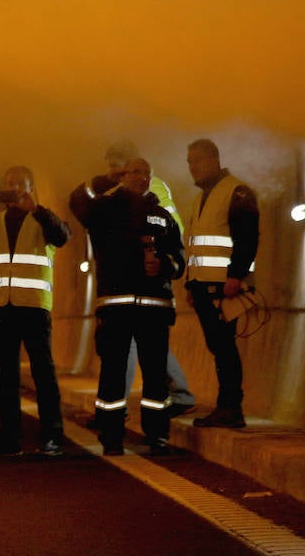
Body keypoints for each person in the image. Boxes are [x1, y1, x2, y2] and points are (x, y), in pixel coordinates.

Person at [70, 157, 185, 455]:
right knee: (113, 372)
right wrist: (101, 180)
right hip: (116, 305)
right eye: (136, 172)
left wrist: (163, 266)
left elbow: (178, 258)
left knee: (156, 375)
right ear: (123, 176)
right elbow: (77, 201)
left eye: (147, 173)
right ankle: (111, 435)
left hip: (155, 306)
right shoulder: (105, 209)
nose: (142, 178)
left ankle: (157, 434)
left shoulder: (162, 214)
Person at [0, 166, 70, 457]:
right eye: (10, 185)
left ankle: (53, 436)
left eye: (21, 184)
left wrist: (39, 209)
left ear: (32, 188)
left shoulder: (42, 218)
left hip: (33, 305)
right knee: (6, 377)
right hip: (0, 306)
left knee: (43, 373)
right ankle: (10, 438)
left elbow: (62, 237)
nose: (15, 189)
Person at [184, 139, 259, 428]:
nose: (193, 166)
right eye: (189, 161)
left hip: (223, 286)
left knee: (224, 345)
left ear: (215, 159)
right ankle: (227, 405)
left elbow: (247, 237)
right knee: (217, 345)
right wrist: (191, 283)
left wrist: (236, 275)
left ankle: (230, 406)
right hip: (203, 286)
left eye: (198, 160)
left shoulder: (236, 192)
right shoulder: (200, 197)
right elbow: (195, 244)